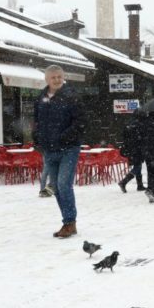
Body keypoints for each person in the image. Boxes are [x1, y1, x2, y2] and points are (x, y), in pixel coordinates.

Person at [33, 65, 86, 238]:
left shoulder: (72, 97)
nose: (56, 80)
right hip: (49, 149)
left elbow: (80, 123)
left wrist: (64, 137)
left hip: (68, 148)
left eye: (59, 77)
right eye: (53, 77)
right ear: (47, 79)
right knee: (55, 186)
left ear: (63, 78)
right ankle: (68, 222)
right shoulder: (41, 98)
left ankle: (69, 222)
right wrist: (37, 139)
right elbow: (37, 122)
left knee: (64, 184)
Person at [118, 109, 147, 192]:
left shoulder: (129, 123)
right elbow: (142, 138)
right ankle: (124, 182)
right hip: (137, 149)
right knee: (137, 166)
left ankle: (140, 185)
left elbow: (123, 135)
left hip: (129, 149)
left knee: (137, 165)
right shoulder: (140, 125)